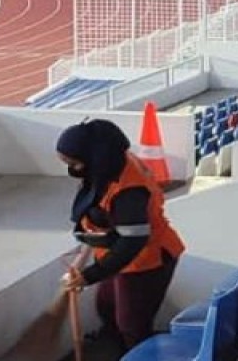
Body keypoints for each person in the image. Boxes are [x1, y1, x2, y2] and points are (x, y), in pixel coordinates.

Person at [57, 119, 185, 352]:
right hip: (116, 256)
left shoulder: (129, 191)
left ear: (93, 158)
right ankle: (114, 350)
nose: (73, 170)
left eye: (74, 164)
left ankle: (140, 354)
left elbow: (132, 241)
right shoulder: (109, 165)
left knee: (132, 323)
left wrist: (89, 275)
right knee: (106, 307)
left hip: (147, 260)